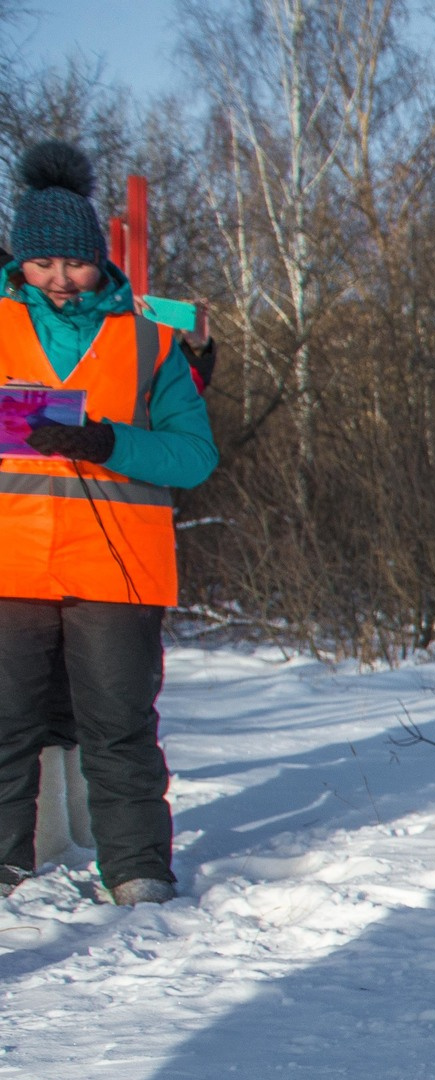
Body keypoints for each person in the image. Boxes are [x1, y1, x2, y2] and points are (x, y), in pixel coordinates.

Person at [0, 139, 218, 904]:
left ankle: (137, 874)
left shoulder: (151, 342)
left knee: (120, 730)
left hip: (115, 568)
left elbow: (194, 457)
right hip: (8, 566)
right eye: (41, 264)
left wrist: (107, 442)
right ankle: (5, 869)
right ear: (19, 260)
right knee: (4, 730)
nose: (59, 281)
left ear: (101, 258)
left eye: (75, 263)